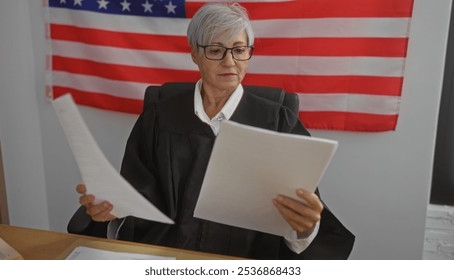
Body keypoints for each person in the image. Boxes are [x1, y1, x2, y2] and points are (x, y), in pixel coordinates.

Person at [73, 2, 354, 259]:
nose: (230, 62)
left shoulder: (280, 122)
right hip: (167, 260)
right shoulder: (159, 117)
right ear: (195, 53)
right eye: (216, 50)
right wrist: (112, 212)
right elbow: (135, 201)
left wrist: (304, 227)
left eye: (239, 50)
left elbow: (299, 218)